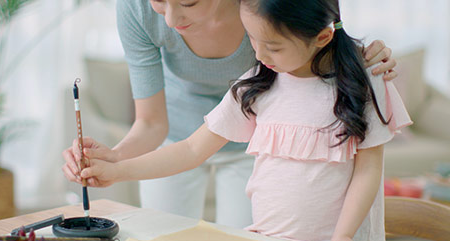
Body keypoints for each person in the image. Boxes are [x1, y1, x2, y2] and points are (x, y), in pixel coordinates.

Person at [62, 0, 398, 229]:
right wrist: (115, 162)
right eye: (158, 1)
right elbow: (164, 131)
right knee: (161, 240)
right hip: (181, 136)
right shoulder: (253, 85)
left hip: (253, 145)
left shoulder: (265, 9)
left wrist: (359, 57)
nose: (171, 19)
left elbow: (316, 30)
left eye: (189, 2)